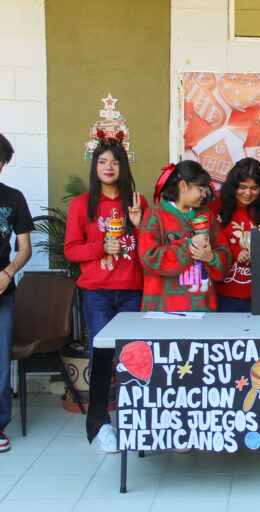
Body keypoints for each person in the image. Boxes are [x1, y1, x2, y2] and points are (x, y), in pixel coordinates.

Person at [64, 135, 147, 453]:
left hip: (132, 292)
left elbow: (150, 247)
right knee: (102, 359)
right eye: (102, 161)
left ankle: (137, 420)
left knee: (136, 359)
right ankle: (101, 425)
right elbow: (71, 250)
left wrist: (138, 225)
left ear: (123, 166)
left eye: (114, 161)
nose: (108, 166)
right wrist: (101, 247)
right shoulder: (80, 205)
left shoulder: (137, 202)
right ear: (94, 167)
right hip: (97, 293)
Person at [138, 160, 231, 312]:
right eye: (201, 189)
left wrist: (211, 257)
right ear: (182, 186)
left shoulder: (206, 214)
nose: (204, 194)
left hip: (203, 308)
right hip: (164, 310)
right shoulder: (155, 214)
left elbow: (225, 253)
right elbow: (149, 258)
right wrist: (189, 246)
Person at [207, 158, 260, 313]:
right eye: (242, 187)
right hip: (224, 294)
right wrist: (234, 251)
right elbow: (206, 242)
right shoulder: (214, 209)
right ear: (233, 186)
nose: (248, 193)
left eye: (254, 188)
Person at [0, 134, 33, 454]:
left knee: (0, 363)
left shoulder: (14, 198)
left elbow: (24, 249)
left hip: (3, 291)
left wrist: (8, 272)